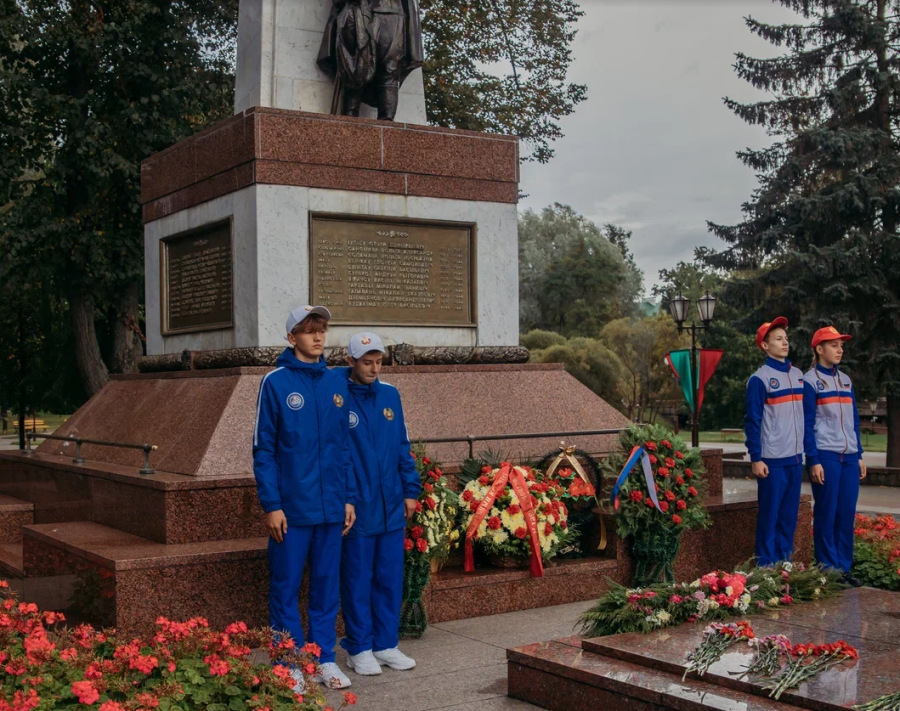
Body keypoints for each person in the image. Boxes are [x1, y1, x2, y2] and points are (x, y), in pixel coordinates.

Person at [253, 305, 357, 691]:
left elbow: (342, 447)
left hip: (331, 509)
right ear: (291, 337)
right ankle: (290, 663)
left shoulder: (335, 383)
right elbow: (263, 449)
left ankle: (323, 658)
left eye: (322, 330)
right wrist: (272, 505)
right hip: (292, 511)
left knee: (327, 586)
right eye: (309, 330)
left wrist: (348, 498)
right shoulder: (275, 382)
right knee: (285, 586)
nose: (317, 337)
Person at [339, 332, 420, 676]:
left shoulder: (390, 395)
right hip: (359, 505)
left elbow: (403, 445)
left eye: (378, 362)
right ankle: (359, 647)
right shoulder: (337, 396)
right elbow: (336, 452)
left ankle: (386, 644)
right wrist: (346, 497)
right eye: (366, 362)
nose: (373, 368)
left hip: (391, 505)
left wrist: (410, 490)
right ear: (350, 362)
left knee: (389, 577)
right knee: (358, 577)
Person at [803, 326, 867, 585]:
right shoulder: (809, 381)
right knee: (827, 513)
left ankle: (844, 568)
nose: (840, 350)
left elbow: (854, 421)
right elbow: (807, 424)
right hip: (826, 456)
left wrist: (859, 453)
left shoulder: (846, 380)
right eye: (834, 345)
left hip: (850, 457)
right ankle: (828, 570)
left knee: (846, 513)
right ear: (819, 349)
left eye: (842, 345)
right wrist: (814, 459)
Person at [745, 317, 805, 566]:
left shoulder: (799, 376)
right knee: (770, 517)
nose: (784, 343)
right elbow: (753, 421)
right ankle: (765, 568)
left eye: (786, 339)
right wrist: (756, 458)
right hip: (772, 461)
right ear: (765, 346)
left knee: (789, 517)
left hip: (795, 459)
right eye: (778, 339)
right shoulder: (759, 379)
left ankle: (784, 566)